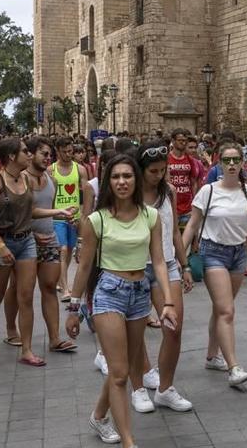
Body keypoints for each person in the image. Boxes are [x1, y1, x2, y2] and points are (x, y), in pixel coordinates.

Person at [65, 154, 178, 447]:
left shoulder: (150, 216)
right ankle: (129, 440)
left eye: (127, 176)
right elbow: (86, 267)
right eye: (115, 177)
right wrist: (74, 309)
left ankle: (99, 416)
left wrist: (167, 302)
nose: (122, 182)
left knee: (124, 366)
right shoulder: (96, 219)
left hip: (140, 292)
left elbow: (159, 261)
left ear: (136, 180)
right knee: (119, 373)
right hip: (108, 293)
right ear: (107, 182)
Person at [0, 138, 71, 366]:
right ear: (11, 156)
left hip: (25, 241)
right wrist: (0, 245)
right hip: (0, 243)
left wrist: (58, 212)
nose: (29, 155)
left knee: (26, 296)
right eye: (25, 152)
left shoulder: (25, 180)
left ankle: (27, 350)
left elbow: (32, 211)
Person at [182, 143, 247, 386]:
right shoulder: (208, 192)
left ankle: (211, 355)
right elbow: (192, 225)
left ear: (242, 163)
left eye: (235, 160)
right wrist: (181, 259)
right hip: (213, 253)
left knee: (221, 309)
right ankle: (234, 367)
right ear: (219, 163)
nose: (231, 165)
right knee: (227, 310)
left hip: (238, 254)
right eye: (227, 160)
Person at [137, 143, 195, 413]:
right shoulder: (130, 192)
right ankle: (138, 386)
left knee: (173, 328)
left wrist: (185, 266)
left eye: (163, 170)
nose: (159, 175)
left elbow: (173, 232)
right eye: (153, 171)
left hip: (167, 263)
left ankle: (165, 388)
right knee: (133, 331)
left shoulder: (168, 191)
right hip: (134, 266)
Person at [26, 136, 76, 353]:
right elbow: (25, 213)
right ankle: (12, 333)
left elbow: (50, 212)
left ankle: (55, 338)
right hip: (26, 240)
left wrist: (64, 218)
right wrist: (58, 213)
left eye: (49, 155)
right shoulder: (22, 179)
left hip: (48, 239)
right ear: (30, 154)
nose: (48, 158)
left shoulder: (52, 180)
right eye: (43, 154)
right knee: (22, 292)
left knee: (48, 287)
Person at [50, 137, 92, 300]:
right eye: (65, 152)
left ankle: (60, 280)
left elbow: (86, 191)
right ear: (58, 151)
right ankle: (66, 288)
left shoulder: (80, 169)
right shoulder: (51, 170)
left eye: (70, 151)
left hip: (74, 217)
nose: (68, 155)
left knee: (69, 252)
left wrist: (83, 214)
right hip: (57, 217)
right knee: (63, 250)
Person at [167, 128, 202, 232]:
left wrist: (194, 202)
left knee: (186, 237)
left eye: (184, 141)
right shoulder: (167, 159)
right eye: (180, 140)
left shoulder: (190, 160)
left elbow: (193, 182)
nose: (183, 143)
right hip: (171, 206)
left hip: (187, 207)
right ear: (173, 141)